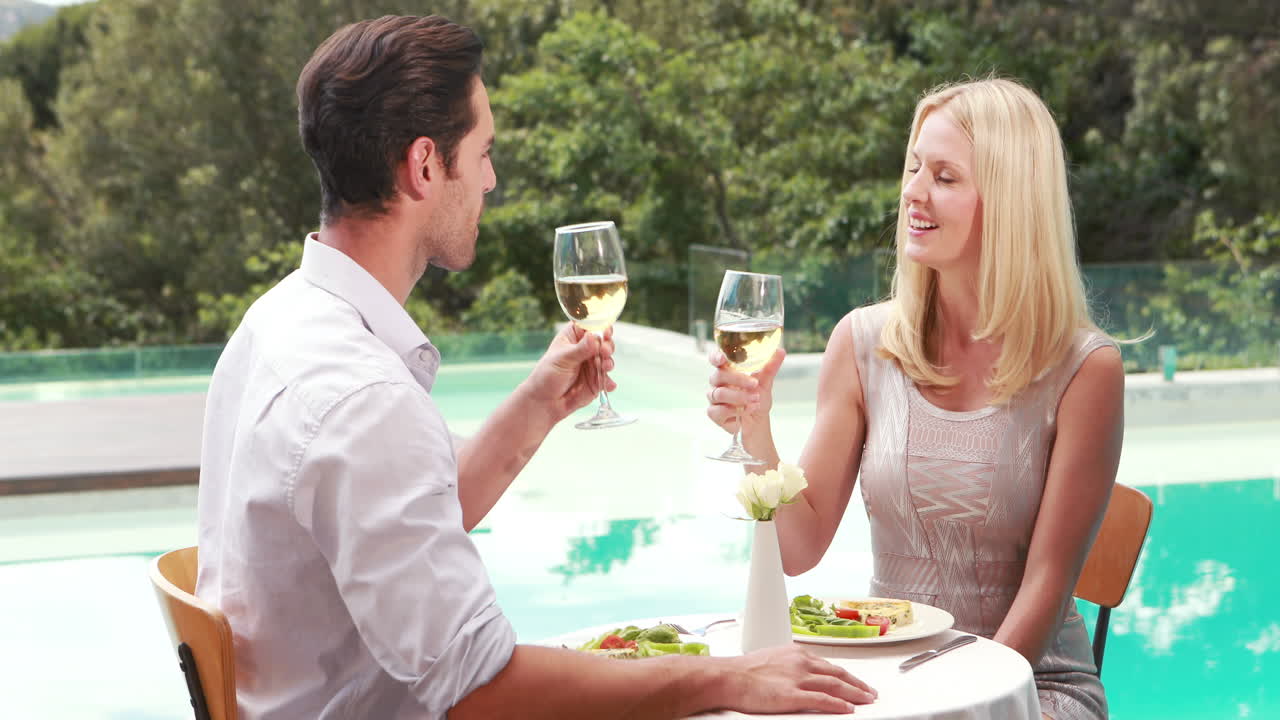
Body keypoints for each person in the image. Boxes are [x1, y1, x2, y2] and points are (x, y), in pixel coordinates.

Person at [195, 14, 876, 720]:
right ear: (425, 164)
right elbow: (479, 691)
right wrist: (728, 679)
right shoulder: (364, 398)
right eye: (483, 152)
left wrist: (537, 405)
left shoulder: (275, 324)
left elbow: (400, 529)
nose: (490, 179)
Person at [706, 77, 1123, 720]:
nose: (913, 192)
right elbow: (798, 546)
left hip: (1029, 687)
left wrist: (955, 704)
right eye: (913, 167)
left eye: (946, 176)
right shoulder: (864, 343)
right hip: (891, 682)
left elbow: (1045, 588)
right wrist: (755, 429)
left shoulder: (1085, 370)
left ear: (1011, 201)